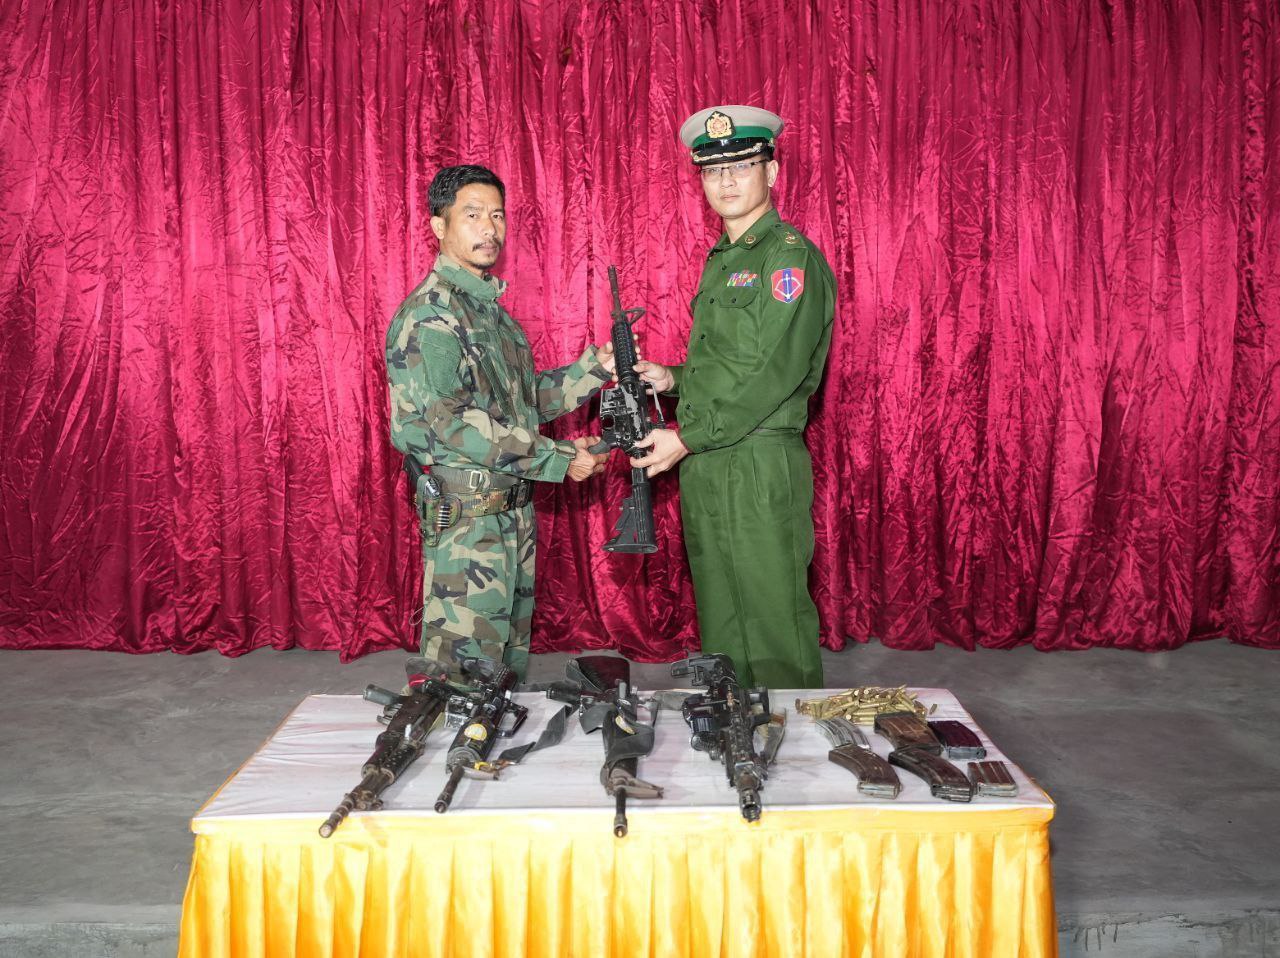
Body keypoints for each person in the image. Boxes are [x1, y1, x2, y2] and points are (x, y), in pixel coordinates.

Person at [630, 106, 836, 688]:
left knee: (771, 618)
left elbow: (776, 374)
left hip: (757, 458)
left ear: (772, 173)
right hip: (708, 457)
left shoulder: (786, 256)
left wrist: (685, 439)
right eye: (713, 170)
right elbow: (730, 364)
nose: (726, 181)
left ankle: (790, 734)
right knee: (722, 614)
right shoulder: (724, 259)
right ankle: (732, 725)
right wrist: (673, 379)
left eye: (742, 166)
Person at [385, 164, 612, 680]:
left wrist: (595, 370)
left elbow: (521, 404)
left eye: (497, 215)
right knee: (463, 678)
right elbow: (454, 423)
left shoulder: (491, 315)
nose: (489, 228)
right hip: (468, 523)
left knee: (504, 674)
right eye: (472, 215)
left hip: (511, 515)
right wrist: (559, 457)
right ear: (439, 225)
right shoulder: (430, 316)